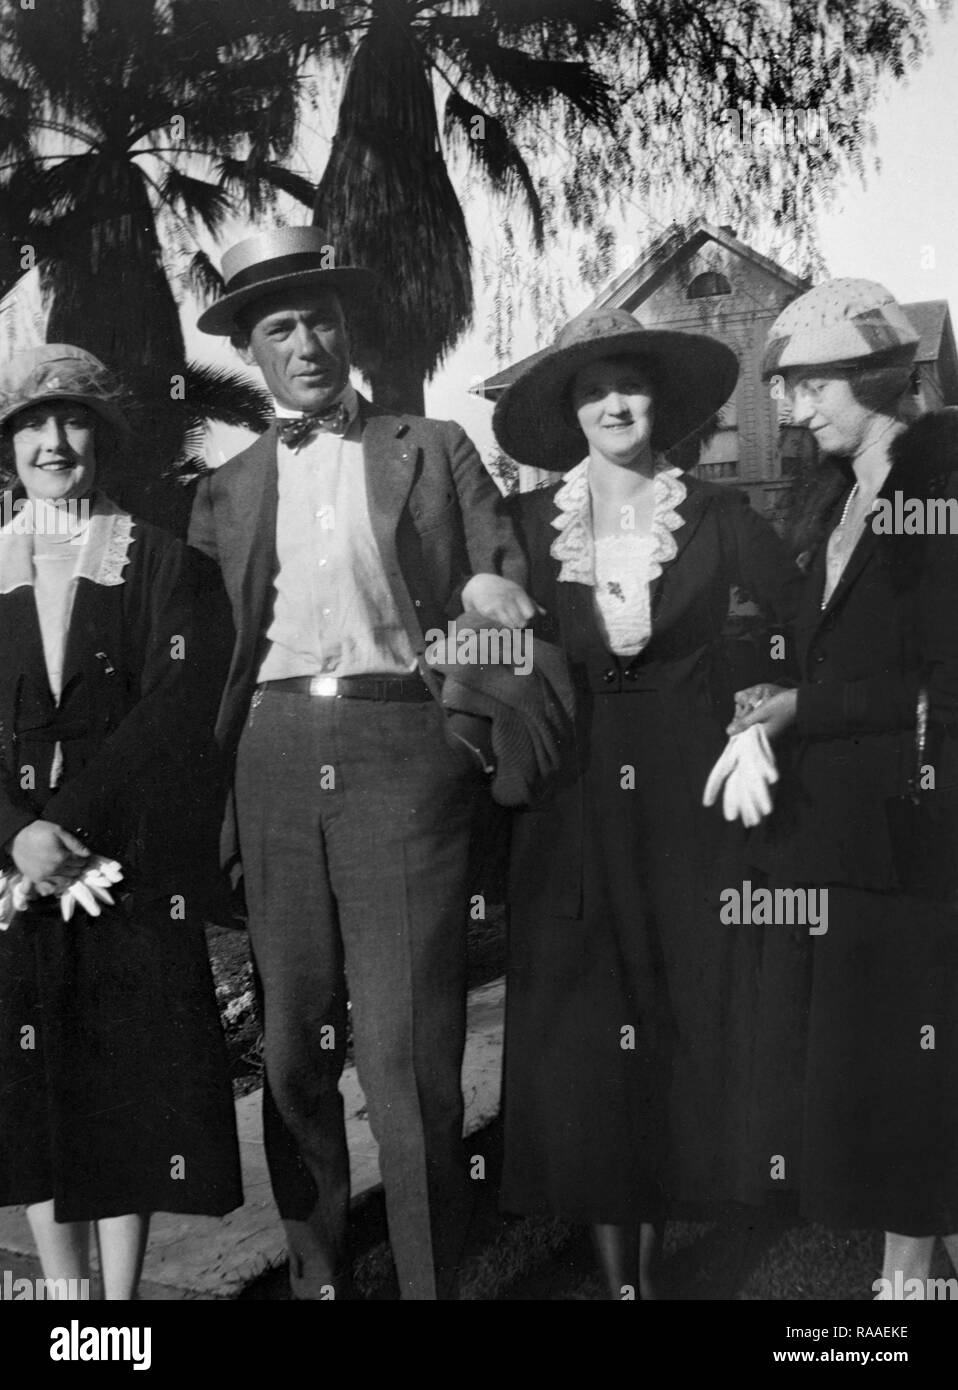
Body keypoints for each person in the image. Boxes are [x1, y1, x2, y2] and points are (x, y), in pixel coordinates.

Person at [188, 226, 535, 1300]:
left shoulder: (433, 446)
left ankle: (433, 1287)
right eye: (279, 325)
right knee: (293, 1047)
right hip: (274, 757)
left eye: (320, 318)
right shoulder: (224, 489)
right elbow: (198, 668)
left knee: (409, 1052)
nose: (306, 341)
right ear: (251, 346)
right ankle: (320, 1279)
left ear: (348, 326)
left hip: (405, 748)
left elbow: (503, 579)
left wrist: (487, 609)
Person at [491, 305, 801, 1299]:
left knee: (672, 1023)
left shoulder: (715, 514)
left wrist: (764, 701)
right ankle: (614, 1274)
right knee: (585, 1039)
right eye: (593, 389)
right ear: (570, 412)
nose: (615, 402)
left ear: (656, 401)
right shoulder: (526, 530)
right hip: (570, 806)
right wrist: (477, 615)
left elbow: (797, 627)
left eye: (628, 384)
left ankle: (656, 1270)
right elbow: (479, 652)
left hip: (686, 801)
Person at [730, 278, 958, 1298]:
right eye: (783, 388)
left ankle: (906, 1287)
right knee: (889, 1083)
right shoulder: (840, 493)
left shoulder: (936, 475)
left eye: (812, 383)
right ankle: (908, 1276)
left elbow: (938, 679)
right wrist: (781, 685)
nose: (791, 407)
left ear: (874, 370)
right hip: (850, 836)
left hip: (917, 830)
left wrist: (802, 711)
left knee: (914, 1079)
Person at [0, 344, 242, 1300]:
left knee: (122, 1084)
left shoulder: (164, 563)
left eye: (73, 423)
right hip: (14, 874)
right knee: (33, 1085)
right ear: (9, 447)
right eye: (32, 426)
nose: (54, 443)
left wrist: (68, 825)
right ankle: (69, 1306)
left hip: (124, 869)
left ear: (101, 438)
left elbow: (178, 710)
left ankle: (120, 1304)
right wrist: (16, 834)